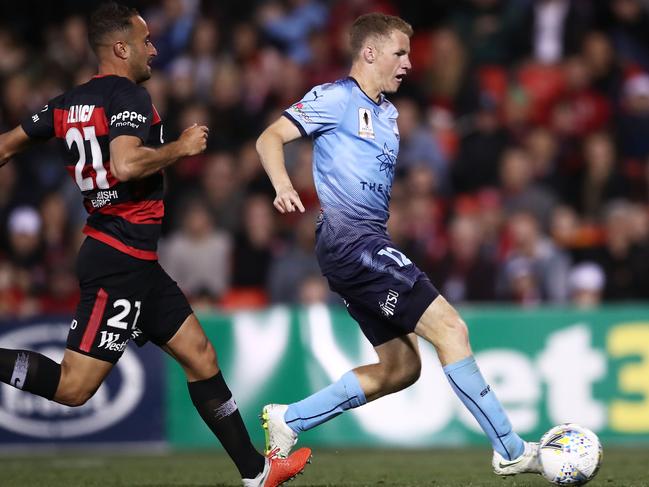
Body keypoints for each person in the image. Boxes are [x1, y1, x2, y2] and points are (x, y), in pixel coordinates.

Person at [0, 4, 310, 486]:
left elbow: (5, 145)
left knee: (201, 356)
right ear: (121, 48)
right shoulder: (129, 98)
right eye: (146, 41)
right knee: (73, 388)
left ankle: (257, 473)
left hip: (138, 263)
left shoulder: (65, 104)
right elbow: (125, 166)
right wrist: (180, 148)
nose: (154, 49)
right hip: (117, 260)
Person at [255, 12, 542, 478]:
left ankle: (289, 419)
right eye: (400, 52)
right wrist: (283, 184)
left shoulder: (388, 114)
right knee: (450, 328)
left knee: (401, 368)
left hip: (363, 242)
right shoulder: (335, 98)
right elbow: (269, 138)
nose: (409, 62)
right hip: (352, 242)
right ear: (369, 53)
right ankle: (510, 450)